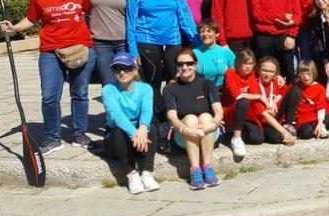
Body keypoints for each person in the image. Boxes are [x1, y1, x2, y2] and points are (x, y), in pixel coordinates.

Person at [1, 0, 97, 154]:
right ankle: (53, 138)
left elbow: (94, 9)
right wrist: (14, 28)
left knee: (80, 94)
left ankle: (79, 134)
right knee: (49, 97)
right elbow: (31, 19)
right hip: (50, 51)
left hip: (80, 48)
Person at [127, 0, 200, 141]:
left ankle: (177, 115)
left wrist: (196, 41)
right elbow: (131, 23)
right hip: (147, 41)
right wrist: (133, 50)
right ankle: (158, 122)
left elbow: (184, 15)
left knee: (176, 78)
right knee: (153, 82)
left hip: (173, 40)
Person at [163, 48, 223, 190]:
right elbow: (172, 117)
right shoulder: (170, 88)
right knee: (190, 118)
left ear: (195, 65)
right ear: (176, 67)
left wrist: (212, 126)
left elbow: (219, 111)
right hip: (183, 135)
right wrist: (185, 129)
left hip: (208, 131)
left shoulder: (207, 84)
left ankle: (207, 167)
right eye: (180, 64)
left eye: (189, 63)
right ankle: (195, 169)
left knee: (206, 116)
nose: (185, 67)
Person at [101, 52, 159, 194]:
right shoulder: (108, 90)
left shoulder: (145, 89)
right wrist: (135, 133)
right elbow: (116, 116)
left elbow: (146, 111)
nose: (122, 72)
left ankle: (147, 172)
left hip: (139, 136)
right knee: (119, 131)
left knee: (151, 127)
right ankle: (131, 174)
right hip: (117, 137)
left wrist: (143, 129)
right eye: (117, 69)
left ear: (134, 70)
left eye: (126, 68)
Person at [78, 0, 132, 86]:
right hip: (100, 43)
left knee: (125, 83)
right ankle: (111, 107)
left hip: (123, 42)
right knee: (108, 83)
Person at [249, 0, 301, 83]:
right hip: (263, 37)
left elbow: (297, 14)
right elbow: (257, 14)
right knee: (266, 74)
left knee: (289, 73)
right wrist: (280, 17)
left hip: (284, 35)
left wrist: (292, 35)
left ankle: (290, 99)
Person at [278, 61, 329, 140]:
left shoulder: (319, 88)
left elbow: (321, 107)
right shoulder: (295, 85)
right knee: (306, 134)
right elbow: (284, 97)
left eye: (308, 74)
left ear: (314, 73)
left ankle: (319, 127)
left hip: (313, 115)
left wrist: (320, 123)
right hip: (300, 117)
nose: (306, 77)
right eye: (303, 74)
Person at [193, 19, 235, 88]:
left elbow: (235, 74)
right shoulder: (193, 53)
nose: (205, 34)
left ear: (217, 34)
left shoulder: (226, 52)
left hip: (223, 91)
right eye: (202, 32)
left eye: (209, 31)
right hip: (201, 90)